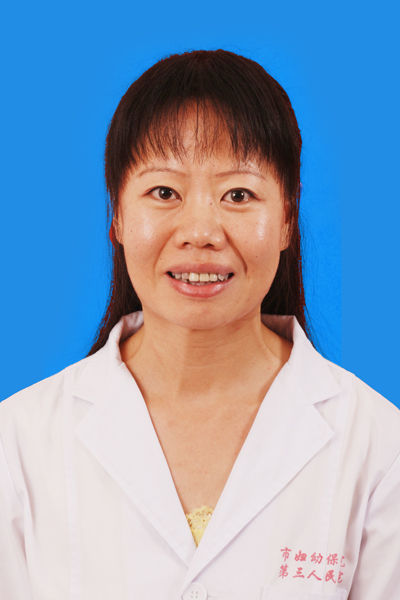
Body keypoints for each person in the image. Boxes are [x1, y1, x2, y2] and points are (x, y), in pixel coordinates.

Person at [0, 49, 399, 600]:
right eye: (164, 192)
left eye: (239, 194)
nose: (201, 232)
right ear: (118, 214)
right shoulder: (18, 442)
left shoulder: (378, 446)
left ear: (287, 218)